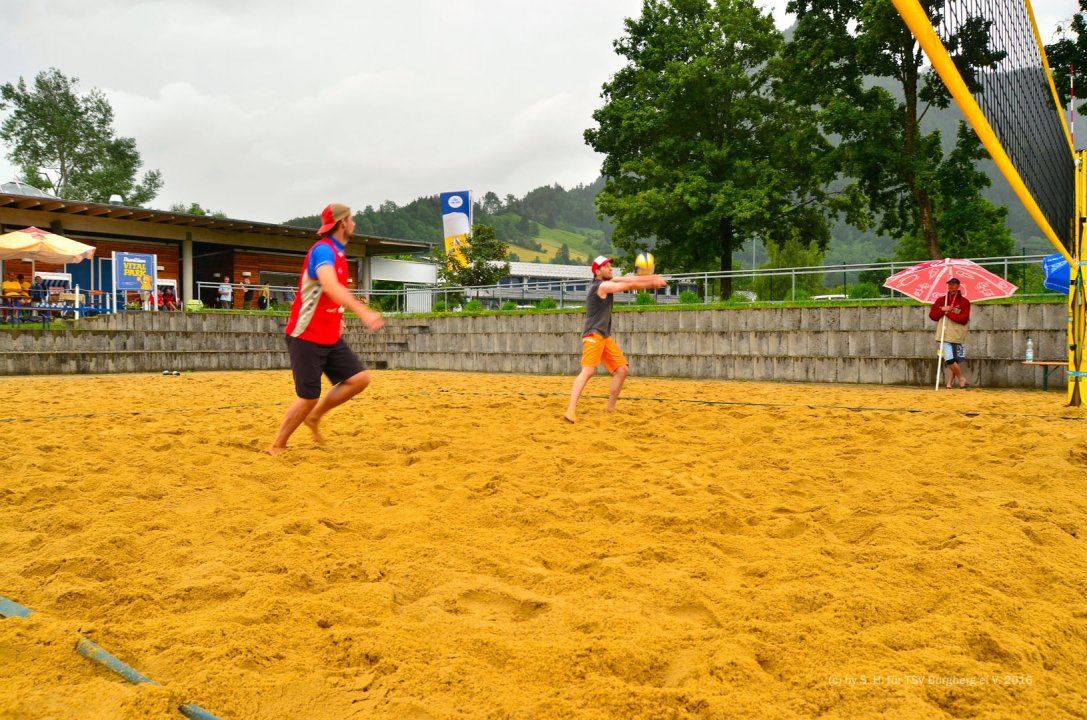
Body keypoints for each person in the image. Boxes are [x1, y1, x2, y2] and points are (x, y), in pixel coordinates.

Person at [268, 203, 384, 456]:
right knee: (308, 396)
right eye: (352, 219)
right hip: (306, 334)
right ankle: (277, 444)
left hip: (329, 333)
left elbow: (327, 295)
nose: (354, 223)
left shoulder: (339, 254)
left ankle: (315, 416)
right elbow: (330, 287)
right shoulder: (323, 251)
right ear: (343, 223)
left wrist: (339, 315)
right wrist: (363, 311)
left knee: (359, 379)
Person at [563, 255, 667, 423]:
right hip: (593, 335)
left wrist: (651, 277)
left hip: (603, 335)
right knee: (588, 371)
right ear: (597, 272)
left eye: (610, 266)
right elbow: (627, 285)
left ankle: (611, 407)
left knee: (622, 370)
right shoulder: (601, 286)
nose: (610, 268)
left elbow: (627, 280)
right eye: (606, 266)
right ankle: (570, 409)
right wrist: (651, 282)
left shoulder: (607, 280)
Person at [929, 277, 971, 389]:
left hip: (957, 334)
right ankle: (961, 378)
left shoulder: (964, 302)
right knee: (949, 359)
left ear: (958, 286)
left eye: (953, 284)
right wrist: (942, 309)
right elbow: (932, 315)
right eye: (949, 284)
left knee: (955, 359)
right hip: (944, 333)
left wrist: (948, 314)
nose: (951, 286)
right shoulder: (941, 300)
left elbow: (964, 318)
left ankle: (950, 383)